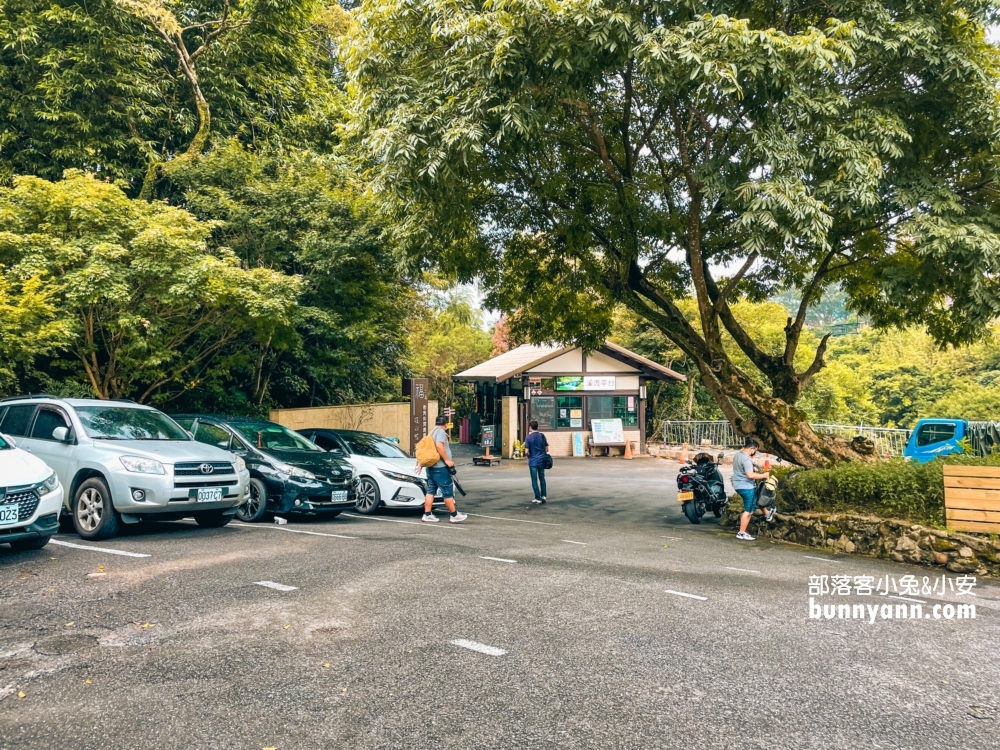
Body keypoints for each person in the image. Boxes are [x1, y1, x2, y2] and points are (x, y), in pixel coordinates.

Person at [422, 415, 467, 524]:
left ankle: (427, 514)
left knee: (431, 490)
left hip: (431, 467)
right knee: (447, 491)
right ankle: (454, 515)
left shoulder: (431, 432)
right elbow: (439, 446)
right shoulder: (441, 432)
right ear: (446, 424)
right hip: (440, 467)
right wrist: (447, 460)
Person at [733, 437, 773, 541]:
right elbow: (750, 475)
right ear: (752, 448)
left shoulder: (738, 455)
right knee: (749, 511)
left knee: (755, 501)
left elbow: (743, 469)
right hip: (746, 487)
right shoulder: (746, 459)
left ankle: (768, 514)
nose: (755, 452)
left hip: (738, 485)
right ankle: (741, 533)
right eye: (755, 450)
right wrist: (764, 475)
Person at [524, 420, 549, 504]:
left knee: (534, 479)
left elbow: (526, 451)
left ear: (530, 427)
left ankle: (537, 498)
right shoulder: (542, 436)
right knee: (542, 478)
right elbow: (547, 449)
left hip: (533, 462)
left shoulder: (528, 437)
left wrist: (528, 455)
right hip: (542, 461)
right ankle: (544, 496)